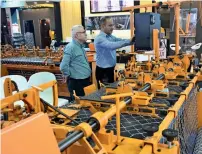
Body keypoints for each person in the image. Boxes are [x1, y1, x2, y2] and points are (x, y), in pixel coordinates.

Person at [94, 16, 135, 89]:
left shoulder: (110, 37)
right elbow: (112, 45)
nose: (112, 27)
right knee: (105, 93)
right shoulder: (100, 38)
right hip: (103, 72)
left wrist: (132, 41)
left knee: (111, 91)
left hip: (110, 69)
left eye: (112, 25)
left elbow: (119, 40)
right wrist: (129, 41)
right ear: (103, 26)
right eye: (110, 25)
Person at [60, 25, 91, 101]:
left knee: (85, 104)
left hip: (84, 81)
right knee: (79, 106)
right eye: (83, 32)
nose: (86, 34)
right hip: (77, 82)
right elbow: (63, 66)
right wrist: (69, 76)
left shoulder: (80, 46)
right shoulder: (71, 47)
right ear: (77, 35)